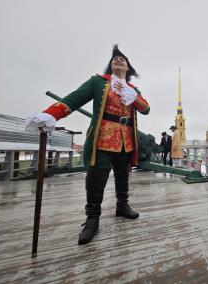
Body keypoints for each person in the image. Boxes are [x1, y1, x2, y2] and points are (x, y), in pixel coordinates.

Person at [25, 45, 150, 245]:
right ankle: (92, 219)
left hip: (126, 139)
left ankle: (122, 205)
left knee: (122, 174)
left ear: (128, 68)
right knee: (96, 177)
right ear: (110, 66)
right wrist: (51, 114)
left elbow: (146, 109)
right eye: (114, 59)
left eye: (122, 59)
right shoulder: (98, 82)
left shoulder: (133, 90)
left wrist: (134, 96)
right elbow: (74, 98)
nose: (118, 60)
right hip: (103, 137)